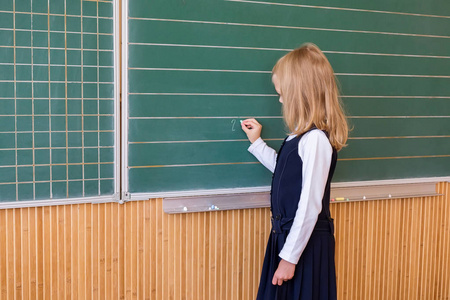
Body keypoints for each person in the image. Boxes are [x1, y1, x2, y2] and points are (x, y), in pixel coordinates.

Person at [241, 43, 348, 300]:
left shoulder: (315, 140)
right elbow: (285, 171)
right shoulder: (299, 135)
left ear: (300, 92)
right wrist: (256, 144)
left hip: (304, 243)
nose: (279, 99)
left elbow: (310, 205)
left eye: (281, 93)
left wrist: (289, 259)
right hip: (287, 238)